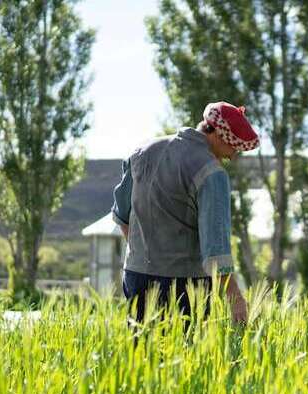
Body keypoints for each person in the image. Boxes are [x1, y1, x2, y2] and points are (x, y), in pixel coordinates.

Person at [111, 101, 259, 325]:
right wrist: (235, 298)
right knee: (183, 356)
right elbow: (216, 248)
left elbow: (122, 215)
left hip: (135, 276)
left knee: (141, 356)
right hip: (185, 285)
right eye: (233, 147)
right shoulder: (211, 172)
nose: (233, 156)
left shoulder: (141, 152)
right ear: (217, 135)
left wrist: (144, 254)